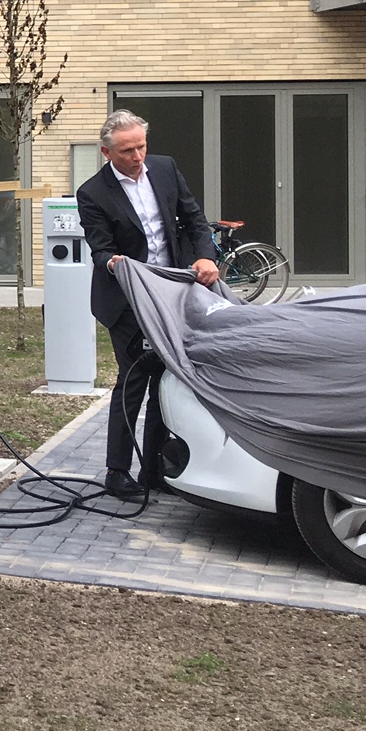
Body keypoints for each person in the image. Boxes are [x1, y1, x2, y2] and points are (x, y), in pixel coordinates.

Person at [75, 110, 220, 497]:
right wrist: (113, 262)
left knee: (166, 378)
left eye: (141, 146)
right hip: (125, 302)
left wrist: (206, 256)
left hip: (171, 294)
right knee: (133, 380)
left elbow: (193, 219)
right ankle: (116, 470)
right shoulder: (92, 193)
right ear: (107, 153)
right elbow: (100, 249)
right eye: (127, 151)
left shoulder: (165, 168)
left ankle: (154, 469)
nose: (138, 157)